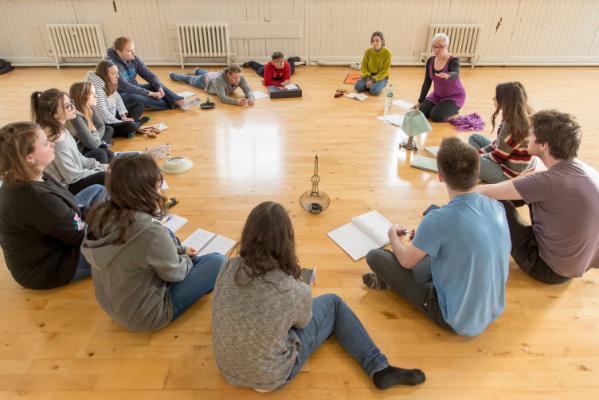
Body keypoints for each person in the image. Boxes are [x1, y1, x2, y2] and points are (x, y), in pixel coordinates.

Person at [212, 201, 425, 392]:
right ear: (287, 241)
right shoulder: (292, 290)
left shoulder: (228, 266)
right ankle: (379, 368)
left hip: (227, 368)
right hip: (271, 376)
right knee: (334, 303)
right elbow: (303, 321)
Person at [364, 137, 510, 337]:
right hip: (492, 308)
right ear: (478, 172)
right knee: (427, 255)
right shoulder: (496, 206)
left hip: (455, 318)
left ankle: (390, 284)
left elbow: (406, 261)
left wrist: (392, 236)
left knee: (375, 257)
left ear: (440, 176)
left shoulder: (437, 220)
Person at [82, 154, 226, 332]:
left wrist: (179, 252)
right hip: (145, 316)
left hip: (111, 304)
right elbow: (176, 274)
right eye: (158, 184)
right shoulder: (150, 232)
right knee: (218, 262)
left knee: (171, 242)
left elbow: (137, 252)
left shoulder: (99, 214)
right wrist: (185, 258)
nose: (161, 189)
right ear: (145, 190)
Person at [477, 110, 599, 284]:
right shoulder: (586, 170)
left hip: (546, 269)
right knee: (523, 189)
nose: (527, 138)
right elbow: (533, 178)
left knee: (494, 201)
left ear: (544, 145)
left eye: (531, 134)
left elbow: (482, 193)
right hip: (577, 264)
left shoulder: (547, 182)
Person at [0, 121, 106, 289]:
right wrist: (115, 222)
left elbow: (71, 205)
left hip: (59, 235)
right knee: (122, 243)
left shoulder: (31, 174)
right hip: (49, 266)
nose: (51, 144)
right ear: (29, 158)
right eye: (44, 143)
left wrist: (105, 215)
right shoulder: (35, 197)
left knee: (97, 189)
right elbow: (79, 235)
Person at [31, 88, 107, 194]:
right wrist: (100, 170)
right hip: (68, 187)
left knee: (103, 154)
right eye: (67, 106)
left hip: (75, 173)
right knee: (104, 176)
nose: (73, 107)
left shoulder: (61, 127)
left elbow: (79, 156)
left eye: (71, 102)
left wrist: (100, 166)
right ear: (55, 114)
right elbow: (72, 177)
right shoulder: (56, 142)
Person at [468, 82, 533, 183]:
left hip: (508, 175)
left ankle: (480, 170)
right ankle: (482, 169)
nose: (493, 98)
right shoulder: (516, 116)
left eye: (496, 96)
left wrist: (475, 157)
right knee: (474, 138)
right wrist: (479, 153)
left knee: (471, 160)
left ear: (505, 101)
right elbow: (499, 143)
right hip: (505, 160)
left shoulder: (511, 125)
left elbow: (497, 157)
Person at [107, 37, 186, 110]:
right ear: (119, 52)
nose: (133, 53)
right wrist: (151, 94)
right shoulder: (111, 65)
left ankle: (178, 100)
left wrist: (158, 87)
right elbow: (125, 86)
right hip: (119, 94)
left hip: (134, 87)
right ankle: (172, 103)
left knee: (156, 85)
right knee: (134, 96)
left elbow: (149, 75)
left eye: (133, 49)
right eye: (129, 51)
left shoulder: (134, 59)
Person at [86, 60, 149, 138]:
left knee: (139, 105)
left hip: (113, 113)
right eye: (113, 73)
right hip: (106, 122)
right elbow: (104, 115)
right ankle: (137, 124)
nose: (118, 76)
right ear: (104, 75)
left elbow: (118, 99)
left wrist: (123, 116)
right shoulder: (97, 89)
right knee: (131, 125)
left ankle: (131, 128)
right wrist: (121, 122)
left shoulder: (107, 82)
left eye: (117, 72)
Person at [413, 33, 466, 122]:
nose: (437, 50)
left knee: (435, 117)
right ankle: (442, 107)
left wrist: (448, 76)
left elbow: (456, 73)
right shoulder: (430, 60)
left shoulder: (453, 60)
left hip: (454, 96)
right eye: (435, 46)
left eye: (441, 47)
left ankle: (454, 109)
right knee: (422, 112)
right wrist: (420, 101)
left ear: (446, 46)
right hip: (437, 95)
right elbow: (427, 82)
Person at [67, 81, 114, 164]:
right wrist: (94, 131)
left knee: (109, 129)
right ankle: (103, 144)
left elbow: (101, 125)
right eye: (93, 94)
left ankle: (102, 144)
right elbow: (92, 144)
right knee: (104, 153)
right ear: (84, 97)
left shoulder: (90, 107)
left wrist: (94, 134)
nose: (96, 96)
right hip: (82, 149)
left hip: (91, 140)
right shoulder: (75, 116)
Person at [169, 64, 256, 107]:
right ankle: (172, 74)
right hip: (205, 81)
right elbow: (222, 97)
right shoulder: (219, 80)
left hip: (213, 74)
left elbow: (247, 89)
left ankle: (198, 70)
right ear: (228, 75)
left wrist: (251, 97)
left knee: (210, 73)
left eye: (239, 77)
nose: (238, 80)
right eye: (235, 78)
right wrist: (236, 102)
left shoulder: (239, 77)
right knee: (189, 79)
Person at [354, 31, 391, 96]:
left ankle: (377, 85)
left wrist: (372, 81)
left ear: (382, 41)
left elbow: (385, 71)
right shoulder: (368, 52)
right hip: (369, 75)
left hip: (381, 77)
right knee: (357, 87)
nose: (375, 43)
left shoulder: (387, 54)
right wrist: (368, 78)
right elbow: (364, 67)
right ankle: (370, 86)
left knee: (374, 91)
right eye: (373, 41)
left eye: (377, 41)